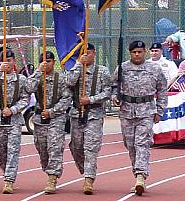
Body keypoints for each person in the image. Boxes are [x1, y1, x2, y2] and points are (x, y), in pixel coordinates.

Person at [112, 40, 167, 196]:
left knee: (141, 143)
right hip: (127, 111)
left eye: (140, 51)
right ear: (130, 53)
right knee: (130, 145)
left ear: (145, 52)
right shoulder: (122, 68)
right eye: (134, 52)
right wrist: (115, 97)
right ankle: (137, 172)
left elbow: (162, 91)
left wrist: (160, 111)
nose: (137, 54)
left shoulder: (154, 69)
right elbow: (113, 85)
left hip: (147, 111)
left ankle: (140, 177)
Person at [66, 43, 112, 194]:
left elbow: (107, 93)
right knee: (76, 146)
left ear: (94, 53)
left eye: (89, 53)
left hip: (94, 115)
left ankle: (89, 178)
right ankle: (84, 169)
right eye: (83, 53)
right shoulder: (76, 69)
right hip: (77, 114)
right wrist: (79, 64)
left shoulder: (102, 71)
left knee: (90, 148)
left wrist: (91, 99)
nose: (86, 55)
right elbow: (69, 82)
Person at [27, 51, 72, 194]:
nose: (47, 63)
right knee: (42, 149)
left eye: (50, 61)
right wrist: (38, 72)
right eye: (44, 61)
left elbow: (66, 99)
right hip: (40, 118)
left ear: (54, 62)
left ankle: (52, 177)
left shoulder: (61, 78)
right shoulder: (37, 77)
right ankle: (48, 169)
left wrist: (52, 111)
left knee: (55, 148)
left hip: (56, 118)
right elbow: (28, 88)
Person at [0, 49, 31, 194]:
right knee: (0, 150)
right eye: (5, 61)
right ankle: (6, 171)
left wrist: (13, 110)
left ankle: (9, 180)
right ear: (0, 63)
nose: (8, 63)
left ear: (14, 61)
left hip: (14, 120)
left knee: (13, 150)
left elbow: (25, 99)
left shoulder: (21, 79)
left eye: (10, 60)